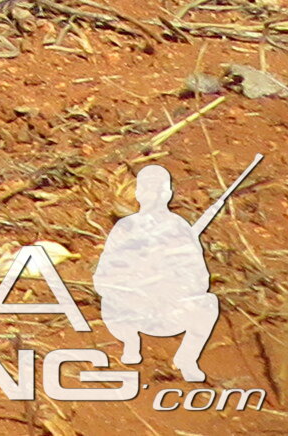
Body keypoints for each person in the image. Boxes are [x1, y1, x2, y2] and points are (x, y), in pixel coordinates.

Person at [94, 164, 225, 382]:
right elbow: (102, 277)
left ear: (168, 194)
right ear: (138, 193)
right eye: (147, 189)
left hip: (169, 309)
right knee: (110, 301)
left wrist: (175, 272)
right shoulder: (125, 227)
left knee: (209, 303)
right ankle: (131, 343)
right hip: (133, 309)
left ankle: (187, 358)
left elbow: (201, 279)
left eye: (158, 190)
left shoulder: (180, 228)